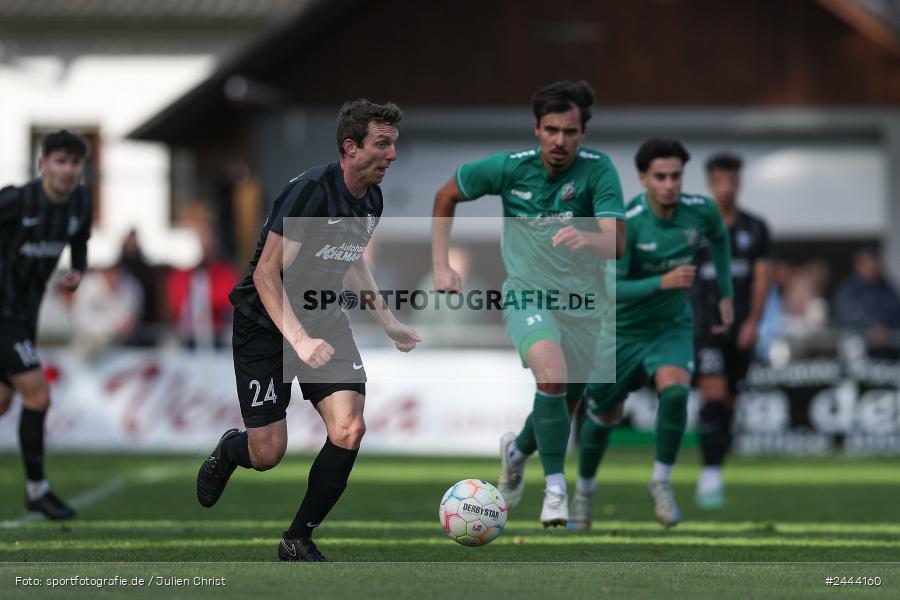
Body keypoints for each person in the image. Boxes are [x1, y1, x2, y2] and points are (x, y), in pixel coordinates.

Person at [196, 99, 420, 562]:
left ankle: (297, 539)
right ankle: (228, 451)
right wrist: (297, 340)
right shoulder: (311, 192)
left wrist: (389, 321)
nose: (392, 155)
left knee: (350, 428)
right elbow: (264, 274)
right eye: (383, 144)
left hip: (325, 321)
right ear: (351, 147)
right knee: (267, 453)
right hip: (265, 326)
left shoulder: (372, 199)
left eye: (394, 145)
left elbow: (351, 259)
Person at [432, 81, 625, 527]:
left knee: (562, 401)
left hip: (583, 304)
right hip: (526, 294)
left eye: (570, 132)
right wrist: (441, 265)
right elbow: (446, 195)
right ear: (537, 129)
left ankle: (516, 451)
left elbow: (617, 243)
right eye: (552, 129)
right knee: (552, 377)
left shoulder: (599, 172)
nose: (560, 141)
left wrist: (587, 237)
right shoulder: (509, 168)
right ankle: (555, 489)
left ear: (583, 133)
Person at [573, 139, 733, 530]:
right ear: (644, 178)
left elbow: (720, 240)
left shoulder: (701, 211)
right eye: (660, 176)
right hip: (622, 328)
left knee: (676, 391)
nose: (669, 184)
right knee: (604, 414)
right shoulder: (627, 222)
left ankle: (661, 482)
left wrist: (726, 295)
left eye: (675, 175)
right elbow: (611, 289)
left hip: (670, 326)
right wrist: (663, 281)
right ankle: (584, 491)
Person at [0, 130, 93, 519]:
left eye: (73, 162)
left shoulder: (80, 203)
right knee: (38, 396)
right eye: (59, 161)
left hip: (25, 314)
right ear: (43, 165)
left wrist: (78, 270)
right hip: (2, 315)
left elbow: (80, 242)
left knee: (3, 402)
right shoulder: (17, 200)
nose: (67, 169)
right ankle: (37, 489)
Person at [690, 152, 772, 509]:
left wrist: (753, 322)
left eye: (732, 181)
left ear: (739, 184)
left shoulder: (755, 228)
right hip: (704, 327)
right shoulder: (693, 227)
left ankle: (715, 468)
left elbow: (762, 278)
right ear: (710, 183)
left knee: (729, 403)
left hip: (740, 330)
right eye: (719, 181)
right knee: (713, 394)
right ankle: (710, 478)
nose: (726, 188)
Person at [833, 246, 900, 357]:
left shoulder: (887, 288)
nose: (871, 267)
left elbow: (896, 313)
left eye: (874, 262)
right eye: (867, 263)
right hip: (859, 351)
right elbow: (846, 316)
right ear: (858, 265)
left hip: (887, 352)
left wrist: (886, 330)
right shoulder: (849, 289)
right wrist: (871, 328)